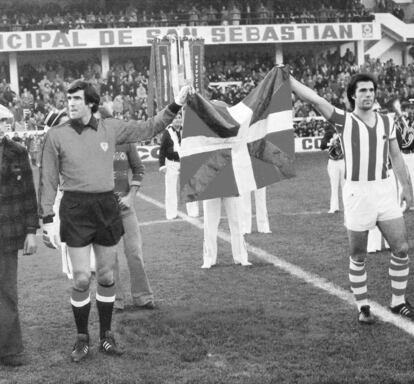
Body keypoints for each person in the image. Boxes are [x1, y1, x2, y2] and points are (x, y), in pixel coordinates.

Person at [39, 80, 191, 362]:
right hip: (75, 207)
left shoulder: (111, 127)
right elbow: (47, 179)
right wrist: (47, 218)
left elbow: (149, 127)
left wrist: (177, 103)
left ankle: (106, 336)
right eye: (68, 98)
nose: (70, 103)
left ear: (91, 104)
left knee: (108, 276)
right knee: (83, 278)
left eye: (76, 99)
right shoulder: (56, 136)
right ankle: (82, 338)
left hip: (106, 206)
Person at [290, 72, 413, 324]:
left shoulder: (386, 121)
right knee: (358, 254)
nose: (368, 94)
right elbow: (314, 99)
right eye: (363, 91)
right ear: (353, 96)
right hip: (357, 193)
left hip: (384, 190)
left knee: (401, 248)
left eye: (371, 90)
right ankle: (363, 306)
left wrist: (407, 188)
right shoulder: (343, 121)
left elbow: (397, 157)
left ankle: (398, 301)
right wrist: (288, 80)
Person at [0, 105, 38, 366]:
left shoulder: (18, 152)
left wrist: (31, 231)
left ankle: (11, 350)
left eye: (5, 120)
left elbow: (28, 195)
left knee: (7, 292)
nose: (4, 124)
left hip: (7, 234)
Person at [201, 100, 251, 269]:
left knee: (236, 221)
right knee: (210, 223)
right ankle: (209, 258)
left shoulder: (233, 131)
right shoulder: (205, 131)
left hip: (230, 179)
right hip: (211, 180)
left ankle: (241, 256)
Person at [112, 135, 155, 311]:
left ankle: (143, 297)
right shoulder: (90, 139)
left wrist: (130, 196)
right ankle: (114, 300)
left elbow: (139, 168)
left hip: (125, 207)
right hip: (103, 211)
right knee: (109, 258)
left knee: (134, 252)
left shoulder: (126, 140)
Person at [159, 113, 199, 220]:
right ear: (172, 120)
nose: (177, 120)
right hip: (171, 163)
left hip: (185, 162)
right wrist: (162, 166)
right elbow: (162, 150)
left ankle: (193, 211)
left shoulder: (186, 132)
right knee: (171, 189)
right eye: (175, 118)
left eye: (179, 117)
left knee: (190, 187)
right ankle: (171, 213)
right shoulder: (167, 133)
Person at [320, 124, 345, 213]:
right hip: (335, 162)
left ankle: (341, 207)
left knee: (342, 186)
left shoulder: (344, 132)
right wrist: (331, 143)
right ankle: (335, 207)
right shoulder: (330, 133)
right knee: (337, 186)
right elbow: (322, 146)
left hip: (341, 161)